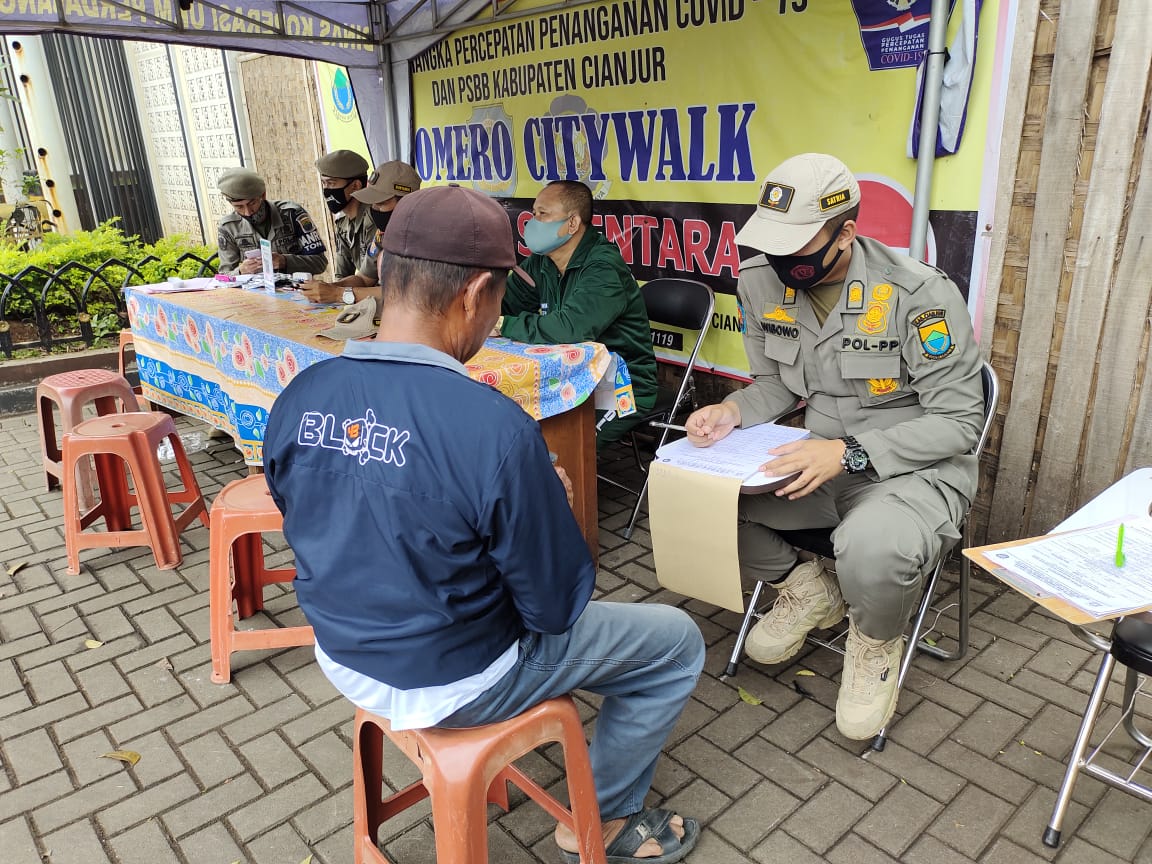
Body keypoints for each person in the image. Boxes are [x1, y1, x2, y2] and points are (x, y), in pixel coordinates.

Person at [264, 185, 703, 864]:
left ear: (385, 273)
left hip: (343, 654)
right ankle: (606, 822)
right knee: (675, 643)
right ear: (474, 295)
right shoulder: (494, 427)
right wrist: (545, 507)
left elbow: (337, 516)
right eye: (498, 299)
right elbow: (556, 608)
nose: (495, 314)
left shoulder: (301, 395)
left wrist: (509, 505)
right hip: (457, 676)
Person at [685, 153, 983, 741]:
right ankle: (809, 586)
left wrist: (846, 452)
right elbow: (776, 383)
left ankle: (874, 643)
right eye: (773, 243)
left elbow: (958, 422)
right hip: (816, 457)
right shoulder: (759, 281)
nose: (782, 260)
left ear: (846, 232)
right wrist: (730, 411)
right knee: (701, 499)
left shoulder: (916, 293)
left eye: (798, 245)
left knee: (873, 547)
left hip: (914, 471)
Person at [496, 180, 658, 447]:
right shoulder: (541, 262)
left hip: (618, 386)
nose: (533, 221)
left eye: (543, 214)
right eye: (534, 213)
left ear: (572, 224)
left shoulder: (603, 267)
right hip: (566, 378)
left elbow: (569, 329)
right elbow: (503, 306)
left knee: (561, 447)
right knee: (515, 430)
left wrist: (503, 324)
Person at [299, 161, 421, 305]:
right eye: (373, 203)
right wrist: (329, 288)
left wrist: (338, 294)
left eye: (381, 203)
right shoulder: (384, 234)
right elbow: (364, 278)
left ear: (407, 202)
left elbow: (403, 294)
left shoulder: (424, 238)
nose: (374, 209)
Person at [215, 167, 327, 276]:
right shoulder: (228, 227)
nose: (248, 212)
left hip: (298, 290)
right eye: (239, 207)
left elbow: (320, 263)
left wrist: (285, 261)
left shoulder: (292, 214)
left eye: (252, 203)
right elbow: (224, 277)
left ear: (263, 195)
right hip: (253, 293)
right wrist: (240, 271)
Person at [315, 149, 374, 279]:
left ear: (356, 185)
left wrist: (335, 290)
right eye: (324, 183)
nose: (326, 190)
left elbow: (370, 279)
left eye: (331, 183)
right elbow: (342, 275)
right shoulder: (343, 224)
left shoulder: (374, 219)